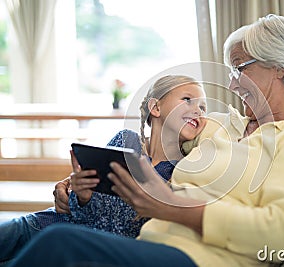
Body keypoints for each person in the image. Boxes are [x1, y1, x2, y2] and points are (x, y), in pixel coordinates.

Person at [7, 14, 284, 267]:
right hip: (153, 242)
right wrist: (79, 182)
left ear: (279, 68)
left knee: (61, 244)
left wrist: (171, 207)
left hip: (202, 259)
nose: (231, 85)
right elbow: (150, 144)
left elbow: (279, 233)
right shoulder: (218, 125)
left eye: (239, 68)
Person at [0, 74, 207, 265]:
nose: (198, 110)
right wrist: (82, 196)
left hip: (78, 248)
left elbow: (123, 231)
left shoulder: (181, 171)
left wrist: (85, 200)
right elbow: (83, 206)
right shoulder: (126, 140)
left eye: (203, 108)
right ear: (156, 107)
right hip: (43, 224)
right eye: (188, 99)